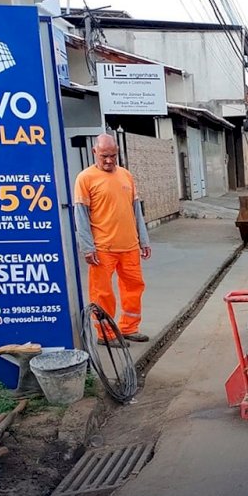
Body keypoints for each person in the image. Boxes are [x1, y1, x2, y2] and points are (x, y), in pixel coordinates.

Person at [74, 134, 151, 345]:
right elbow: (81, 216)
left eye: (113, 156)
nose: (109, 160)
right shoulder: (85, 178)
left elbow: (135, 210)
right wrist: (87, 248)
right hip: (102, 249)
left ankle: (129, 327)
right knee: (102, 293)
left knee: (133, 288)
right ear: (94, 153)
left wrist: (143, 240)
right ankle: (105, 334)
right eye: (104, 156)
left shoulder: (126, 175)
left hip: (129, 246)